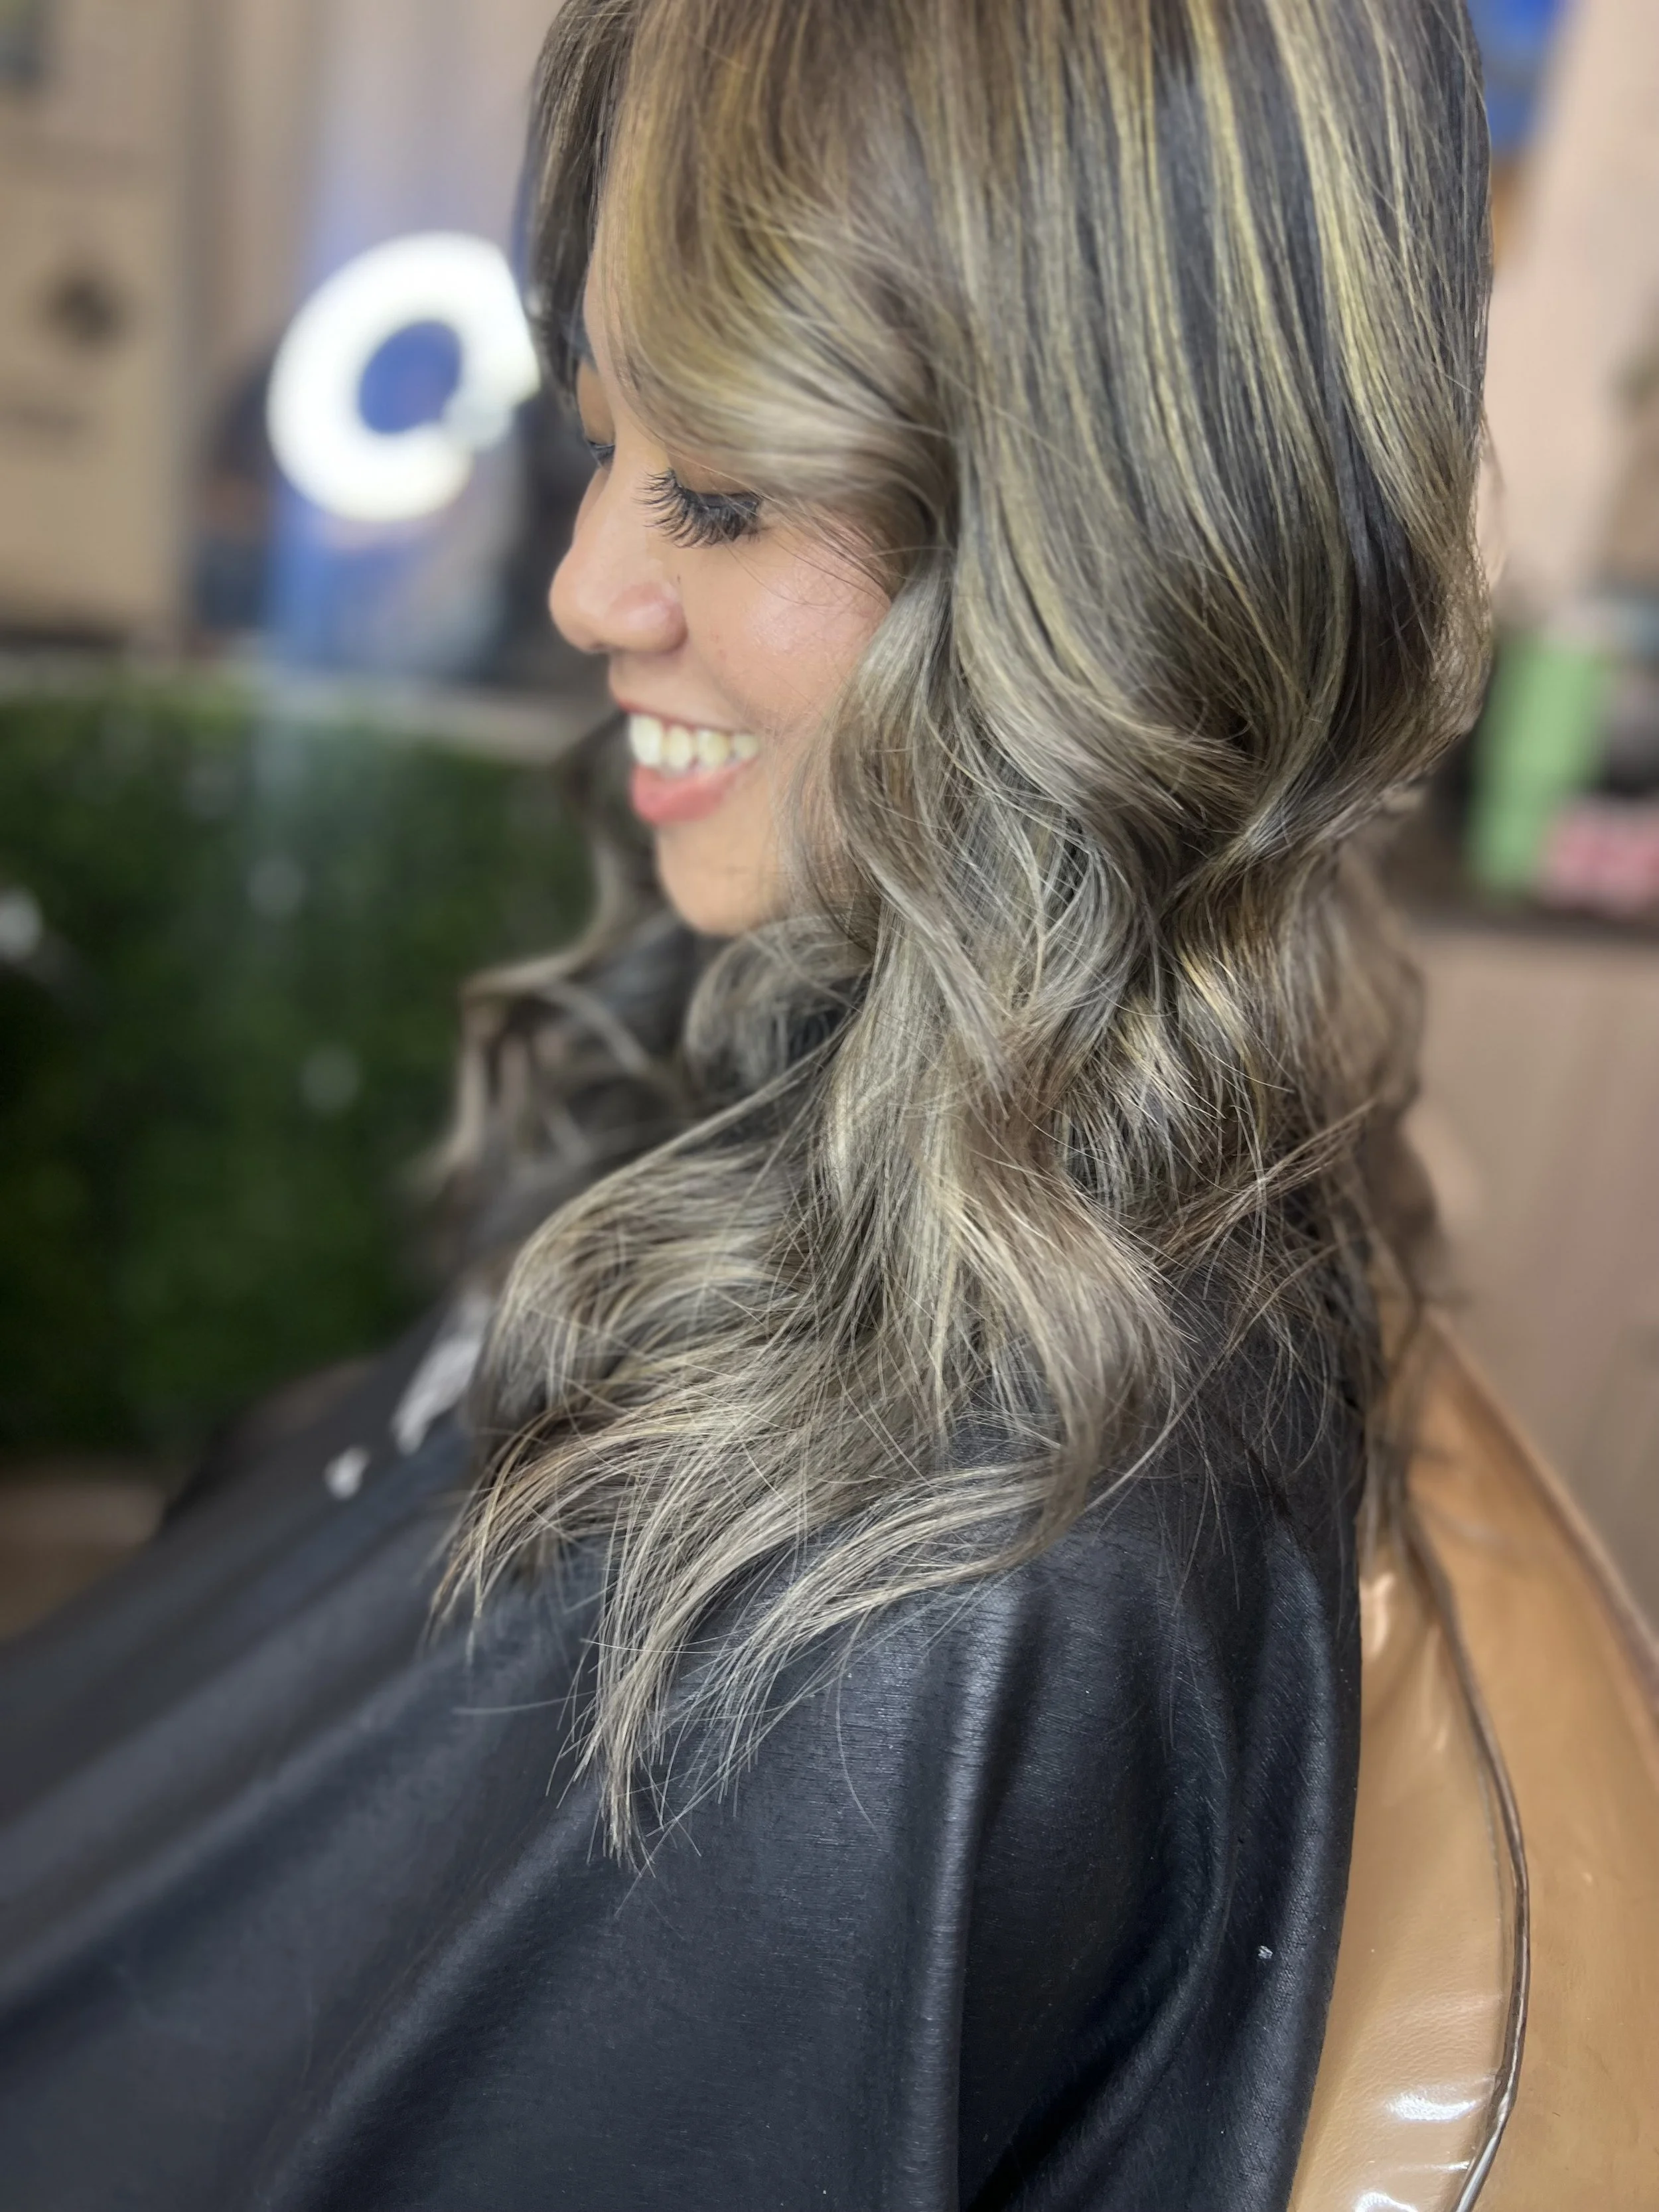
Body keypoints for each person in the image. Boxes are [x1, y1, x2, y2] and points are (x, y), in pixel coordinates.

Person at [0, 1, 1491, 2205]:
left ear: (1113, 555)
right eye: (593, 443)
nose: (587, 585)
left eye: (720, 484)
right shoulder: (848, 1153)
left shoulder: (947, 1591)